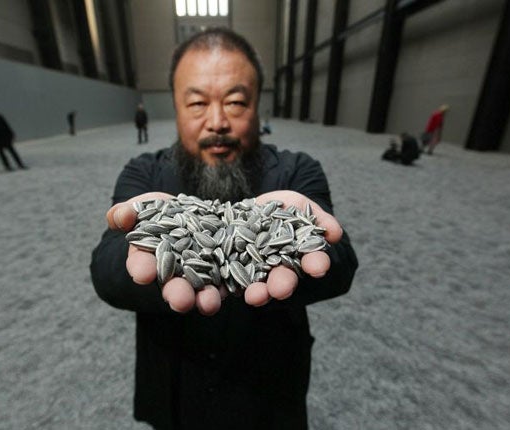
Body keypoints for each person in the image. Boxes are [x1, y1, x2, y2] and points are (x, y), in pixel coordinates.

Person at [90, 28, 358, 429]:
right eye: (197, 103)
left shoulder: (298, 170)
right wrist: (169, 264)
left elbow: (338, 261)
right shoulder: (144, 173)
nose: (217, 122)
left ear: (258, 108)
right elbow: (108, 268)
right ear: (176, 109)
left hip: (268, 392)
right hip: (177, 387)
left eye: (235, 102)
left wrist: (281, 255)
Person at [0, 102, 27, 171]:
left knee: (13, 152)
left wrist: (11, 134)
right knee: (2, 154)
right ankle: (8, 167)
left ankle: (20, 164)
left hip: (5, 137)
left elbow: (6, 125)